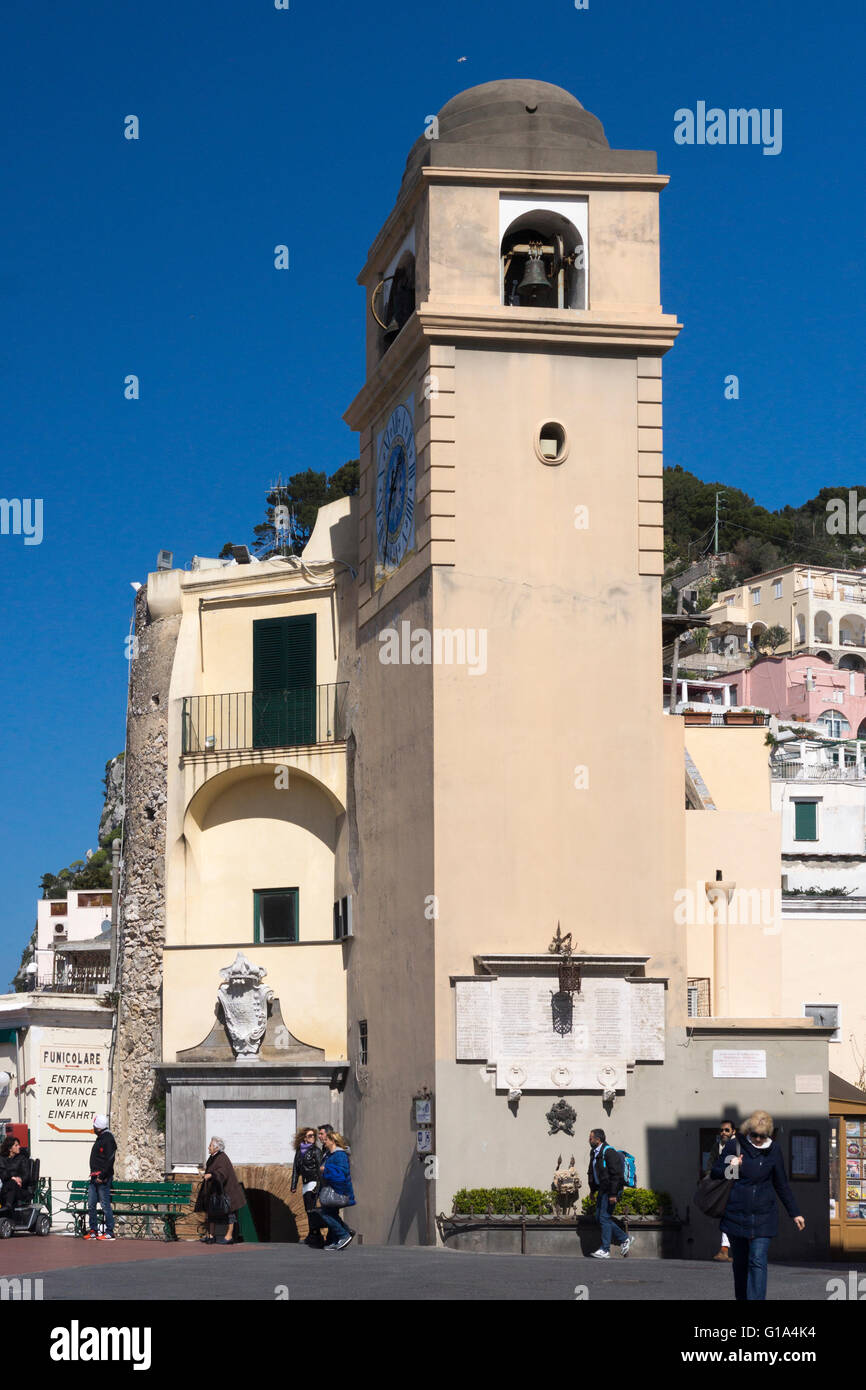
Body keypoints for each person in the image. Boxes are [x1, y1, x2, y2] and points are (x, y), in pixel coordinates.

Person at [711, 1109, 805, 1301]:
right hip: (736, 1214)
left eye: (762, 1136)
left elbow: (781, 1184)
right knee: (740, 1263)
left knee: (757, 1260)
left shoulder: (774, 1150)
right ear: (748, 1132)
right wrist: (732, 1166)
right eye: (754, 1135)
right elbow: (715, 1172)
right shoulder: (734, 1145)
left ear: (768, 1134)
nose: (758, 1139)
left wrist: (795, 1213)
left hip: (764, 1216)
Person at [587, 1128, 631, 1259]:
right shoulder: (594, 1152)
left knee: (604, 1218)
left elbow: (616, 1175)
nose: (589, 1140)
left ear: (598, 1139)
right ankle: (624, 1238)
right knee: (599, 1218)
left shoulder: (609, 1152)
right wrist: (592, 1191)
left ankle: (605, 1250)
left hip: (611, 1190)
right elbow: (593, 1172)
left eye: (590, 1138)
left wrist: (613, 1194)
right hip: (602, 1189)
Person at [307, 1131, 356, 1251]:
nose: (324, 1142)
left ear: (333, 1141)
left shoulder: (339, 1155)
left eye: (326, 1140)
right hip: (331, 1189)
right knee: (331, 1213)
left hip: (338, 1191)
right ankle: (343, 1233)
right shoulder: (330, 1154)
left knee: (325, 1213)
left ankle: (344, 1235)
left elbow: (342, 1172)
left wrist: (325, 1169)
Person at [195, 1137, 247, 1245]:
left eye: (210, 1146)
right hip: (215, 1191)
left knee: (229, 1213)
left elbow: (222, 1172)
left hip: (227, 1192)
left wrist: (212, 1175)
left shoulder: (222, 1158)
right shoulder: (213, 1157)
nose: (208, 1148)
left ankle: (229, 1236)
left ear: (216, 1147)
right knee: (211, 1212)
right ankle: (211, 1235)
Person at [706, 1119, 736, 1261]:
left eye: (727, 1130)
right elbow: (711, 1165)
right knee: (727, 1216)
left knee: (731, 1216)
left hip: (735, 1186)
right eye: (721, 1130)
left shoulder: (737, 1146)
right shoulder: (717, 1146)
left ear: (733, 1132)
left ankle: (726, 1249)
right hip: (722, 1186)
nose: (723, 1132)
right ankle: (724, 1249)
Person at [86, 1113, 117, 1241]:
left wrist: (102, 1175)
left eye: (94, 1126)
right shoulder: (101, 1137)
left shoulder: (108, 1139)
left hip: (102, 1178)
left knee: (105, 1205)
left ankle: (109, 1231)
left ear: (98, 1128)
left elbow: (110, 1160)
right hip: (94, 1177)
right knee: (91, 1204)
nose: (93, 1128)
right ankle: (94, 1230)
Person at [291, 1126, 322, 1225]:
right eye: (310, 1136)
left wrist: (318, 1185)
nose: (312, 1137)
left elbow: (320, 1168)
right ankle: (313, 1232)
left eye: (313, 1136)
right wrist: (293, 1185)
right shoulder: (299, 1152)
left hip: (313, 1181)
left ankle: (314, 1233)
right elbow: (295, 1169)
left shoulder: (316, 1151)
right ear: (304, 1138)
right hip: (305, 1182)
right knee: (308, 1209)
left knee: (311, 1208)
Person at [0, 1135, 28, 1210]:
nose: (19, 1147)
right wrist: (13, 1178)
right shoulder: (2, 1159)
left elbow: (26, 1175)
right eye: (16, 1145)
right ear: (10, 1148)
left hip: (19, 1188)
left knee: (13, 1183)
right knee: (11, 1182)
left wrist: (19, 1179)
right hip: (5, 1188)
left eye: (18, 1145)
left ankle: (8, 1206)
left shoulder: (22, 1158)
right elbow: (3, 1175)